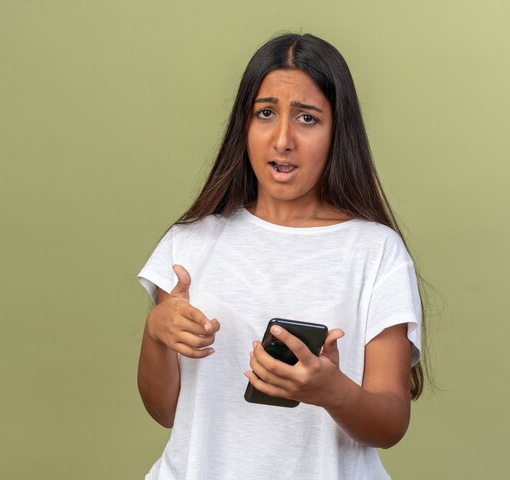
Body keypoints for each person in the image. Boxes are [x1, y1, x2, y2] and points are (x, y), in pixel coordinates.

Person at [137, 32, 426, 480]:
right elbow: (165, 411)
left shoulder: (375, 251)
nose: (282, 139)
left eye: (307, 118)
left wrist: (333, 391)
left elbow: (390, 424)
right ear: (244, 125)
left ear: (337, 132)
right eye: (266, 113)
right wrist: (155, 334)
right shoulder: (189, 243)